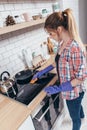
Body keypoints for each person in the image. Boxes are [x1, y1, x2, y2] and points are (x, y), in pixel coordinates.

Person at [43, 8, 87, 130]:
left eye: (51, 34)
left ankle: (80, 121)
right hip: (68, 89)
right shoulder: (61, 44)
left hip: (74, 92)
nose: (50, 37)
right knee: (77, 108)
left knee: (74, 118)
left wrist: (58, 88)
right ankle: (82, 115)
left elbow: (81, 77)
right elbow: (56, 62)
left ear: (59, 29)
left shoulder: (75, 48)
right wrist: (42, 71)